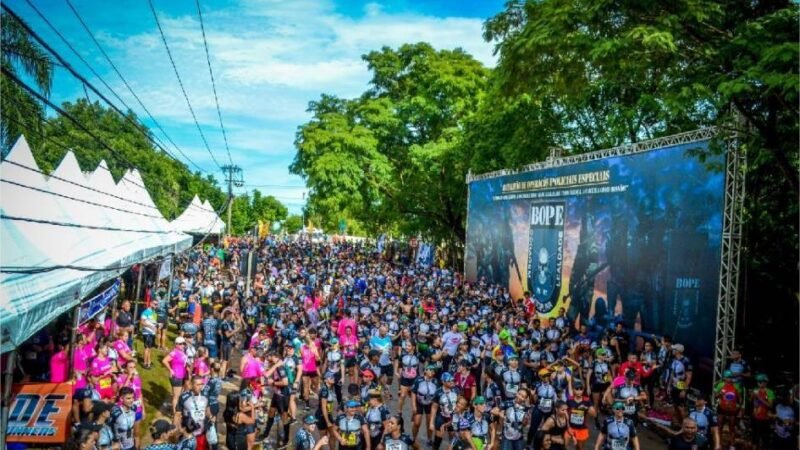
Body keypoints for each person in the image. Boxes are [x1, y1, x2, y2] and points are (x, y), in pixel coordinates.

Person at [175, 375, 211, 450]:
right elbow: (177, 414)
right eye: (198, 384)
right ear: (191, 385)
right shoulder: (184, 397)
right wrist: (178, 429)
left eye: (201, 384)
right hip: (188, 435)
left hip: (201, 435)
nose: (200, 387)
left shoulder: (205, 396)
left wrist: (210, 417)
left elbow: (208, 411)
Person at [713, 370, 743, 449]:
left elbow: (740, 398)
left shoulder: (736, 386)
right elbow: (715, 396)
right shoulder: (721, 385)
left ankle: (732, 445)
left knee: (732, 427)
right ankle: (719, 443)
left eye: (731, 377)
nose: (730, 379)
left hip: (732, 409)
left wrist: (739, 408)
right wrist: (720, 394)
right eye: (728, 377)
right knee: (719, 427)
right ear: (725, 378)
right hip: (721, 408)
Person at [163, 337, 189, 415]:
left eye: (183, 344)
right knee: (176, 396)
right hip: (176, 376)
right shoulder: (174, 352)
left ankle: (176, 410)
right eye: (180, 344)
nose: (182, 345)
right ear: (176, 344)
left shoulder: (182, 351)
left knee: (179, 395)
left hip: (182, 375)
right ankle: (175, 414)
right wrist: (170, 370)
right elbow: (164, 360)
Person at [667, 344, 692, 425]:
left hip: (681, 386)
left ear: (678, 351)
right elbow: (672, 373)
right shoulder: (674, 360)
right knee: (675, 405)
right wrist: (669, 386)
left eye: (674, 349)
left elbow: (689, 377)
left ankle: (686, 425)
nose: (672, 351)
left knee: (681, 407)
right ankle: (679, 423)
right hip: (674, 385)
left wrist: (684, 390)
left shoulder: (686, 361)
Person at [750, 373, 775, 449]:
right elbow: (752, 402)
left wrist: (759, 397)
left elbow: (770, 405)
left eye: (761, 382)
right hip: (755, 417)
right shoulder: (755, 390)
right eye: (758, 382)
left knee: (765, 439)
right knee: (755, 438)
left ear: (765, 382)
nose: (759, 384)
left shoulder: (770, 392)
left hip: (765, 419)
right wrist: (752, 397)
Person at [567, 382, 595, 450]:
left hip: (582, 428)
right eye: (577, 389)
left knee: (580, 448)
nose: (579, 391)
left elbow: (594, 414)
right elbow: (565, 412)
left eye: (581, 389)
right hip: (570, 428)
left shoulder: (587, 400)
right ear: (573, 390)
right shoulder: (569, 400)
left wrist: (586, 408)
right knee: (564, 445)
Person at [140, 303, 158, 369]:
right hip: (147, 333)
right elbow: (142, 322)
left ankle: (149, 362)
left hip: (152, 333)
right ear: (151, 304)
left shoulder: (154, 312)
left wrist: (157, 325)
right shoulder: (146, 312)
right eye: (155, 304)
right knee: (147, 348)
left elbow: (153, 322)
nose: (156, 305)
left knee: (150, 348)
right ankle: (145, 363)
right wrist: (151, 326)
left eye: (157, 304)